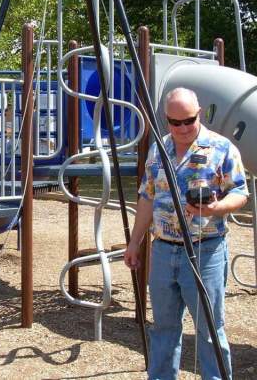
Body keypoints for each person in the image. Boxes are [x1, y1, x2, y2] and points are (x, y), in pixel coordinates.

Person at [124, 87, 248, 379]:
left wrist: (216, 208)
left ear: (199, 113)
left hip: (205, 249)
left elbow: (241, 193)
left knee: (208, 330)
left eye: (188, 120)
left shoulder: (221, 148)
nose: (181, 128)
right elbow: (147, 196)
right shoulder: (159, 148)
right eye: (173, 122)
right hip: (164, 250)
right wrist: (135, 242)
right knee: (164, 327)